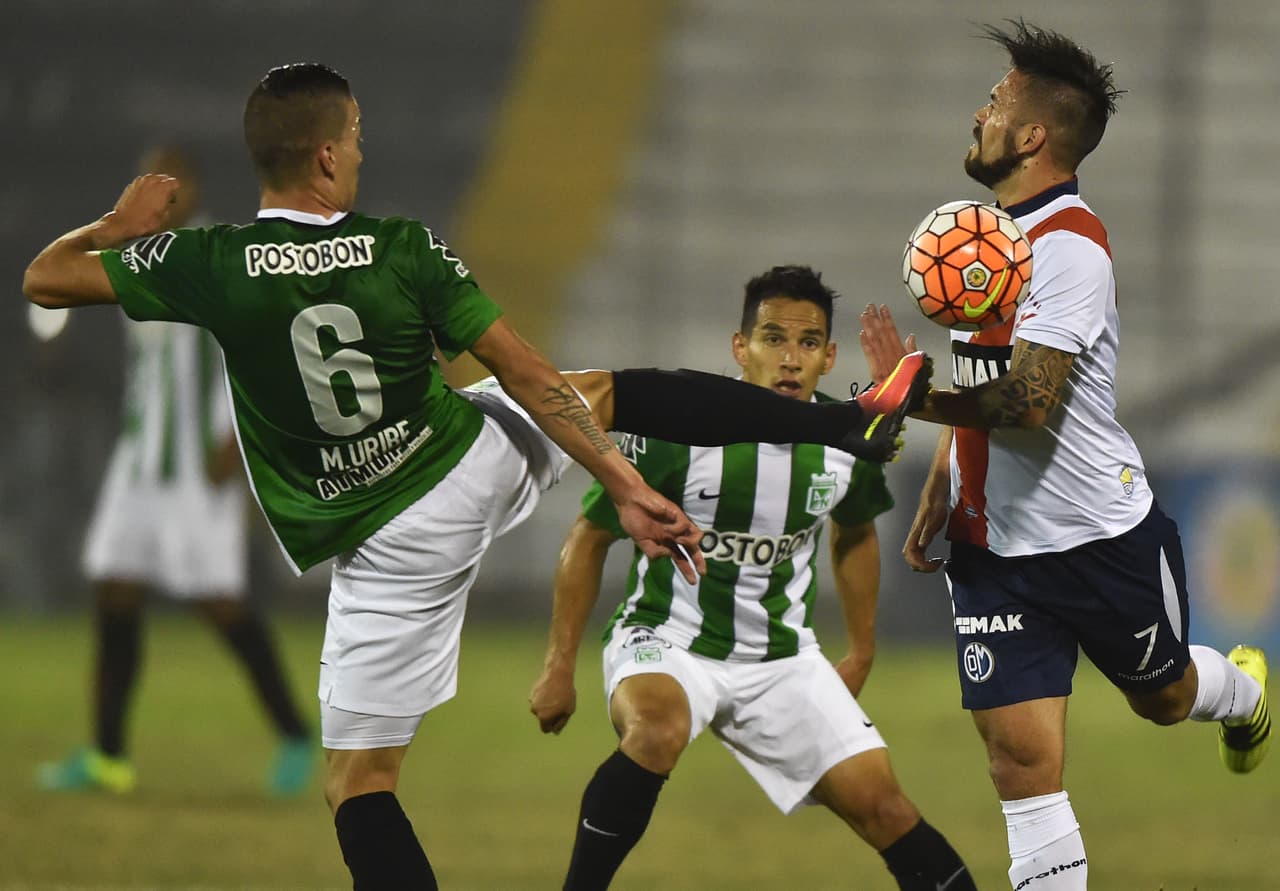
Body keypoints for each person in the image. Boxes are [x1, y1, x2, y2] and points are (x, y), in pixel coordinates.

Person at [22, 64, 932, 889]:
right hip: (461, 471)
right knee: (604, 388)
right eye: (361, 139)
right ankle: (845, 422)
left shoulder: (206, 262)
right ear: (330, 156)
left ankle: (843, 425)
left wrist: (115, 227)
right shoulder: (399, 249)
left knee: (359, 785)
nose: (364, 154)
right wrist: (620, 479)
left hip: (371, 548)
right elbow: (531, 376)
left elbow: (45, 279)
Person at [858, 20, 1269, 890]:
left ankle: (1244, 692)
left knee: (1160, 698)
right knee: (1020, 762)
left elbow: (1031, 401)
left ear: (1034, 135)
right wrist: (943, 471)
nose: (982, 112)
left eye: (999, 102)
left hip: (1098, 535)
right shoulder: (985, 238)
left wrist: (909, 396)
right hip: (996, 551)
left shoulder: (1069, 246)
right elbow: (984, 367)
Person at [530, 265, 976, 891]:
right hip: (668, 638)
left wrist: (863, 648)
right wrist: (557, 665)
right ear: (740, 348)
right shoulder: (678, 428)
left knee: (886, 808)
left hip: (782, 659)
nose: (790, 359)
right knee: (656, 731)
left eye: (809, 342)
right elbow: (589, 537)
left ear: (830, 357)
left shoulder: (848, 439)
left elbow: (853, 535)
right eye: (773, 338)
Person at [36, 145, 314, 798]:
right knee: (114, 589)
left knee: (220, 604)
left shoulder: (217, 255)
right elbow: (53, 279)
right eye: (145, 177)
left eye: (170, 180)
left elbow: (262, 348)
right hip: (138, 465)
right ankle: (108, 754)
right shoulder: (135, 256)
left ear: (193, 189)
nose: (157, 190)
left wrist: (239, 438)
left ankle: (297, 734)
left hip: (199, 463)